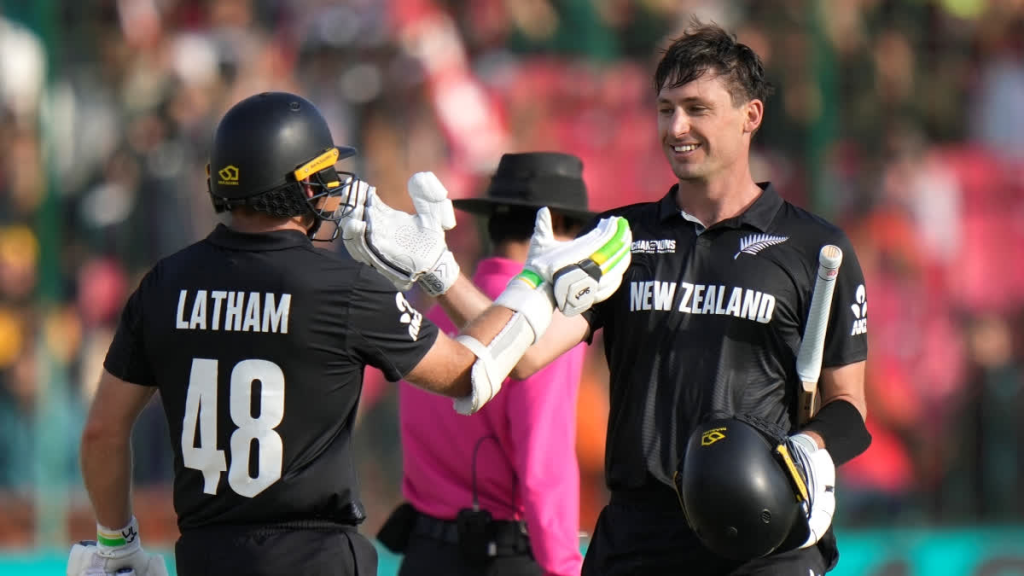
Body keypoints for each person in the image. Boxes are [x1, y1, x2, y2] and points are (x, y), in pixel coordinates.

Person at [341, 21, 871, 576]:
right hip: (640, 538)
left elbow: (848, 406)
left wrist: (809, 450)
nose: (677, 127)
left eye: (697, 109)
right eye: (665, 110)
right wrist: (441, 272)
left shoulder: (815, 248)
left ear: (750, 116)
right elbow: (522, 357)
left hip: (762, 541)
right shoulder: (619, 237)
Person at [66, 92, 632, 576]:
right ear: (305, 185)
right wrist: (527, 282)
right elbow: (469, 374)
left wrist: (117, 545)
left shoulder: (164, 283)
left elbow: (102, 431)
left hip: (206, 556)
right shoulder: (341, 287)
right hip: (315, 557)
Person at [390, 152, 593, 576]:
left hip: (424, 553)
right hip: (500, 556)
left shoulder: (437, 314)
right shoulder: (547, 327)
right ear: (557, 226)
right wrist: (565, 568)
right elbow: (544, 466)